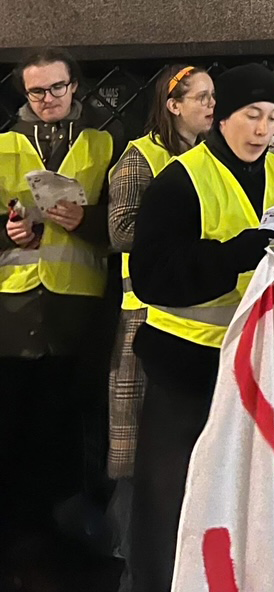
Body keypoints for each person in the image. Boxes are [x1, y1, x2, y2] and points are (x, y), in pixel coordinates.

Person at [127, 64, 274, 592]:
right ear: (222, 116)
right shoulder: (179, 180)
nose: (264, 129)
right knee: (171, 491)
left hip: (255, 361)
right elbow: (150, 278)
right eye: (252, 115)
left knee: (243, 490)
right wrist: (230, 257)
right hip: (185, 363)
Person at [0, 47, 121, 540]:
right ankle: (15, 524)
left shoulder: (106, 143)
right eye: (36, 91)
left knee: (69, 416)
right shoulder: (3, 144)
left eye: (57, 87)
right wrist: (8, 232)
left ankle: (64, 525)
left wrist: (86, 221)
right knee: (12, 414)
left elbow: (122, 221)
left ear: (74, 86)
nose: (48, 99)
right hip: (14, 302)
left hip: (78, 301)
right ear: (23, 93)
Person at [105, 64, 214, 583]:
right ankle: (134, 564)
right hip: (145, 313)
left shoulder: (216, 160)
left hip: (195, 320)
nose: (212, 106)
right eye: (202, 97)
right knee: (144, 450)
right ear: (173, 105)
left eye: (215, 97)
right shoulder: (141, 157)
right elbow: (122, 229)